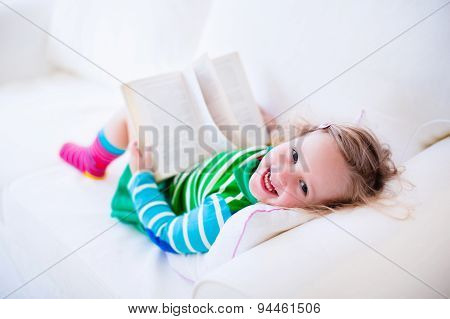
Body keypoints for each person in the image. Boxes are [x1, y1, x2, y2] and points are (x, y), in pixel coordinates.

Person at [59, 109, 397, 254]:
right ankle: (97, 155)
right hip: (192, 162)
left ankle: (93, 160)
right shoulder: (271, 158)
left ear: (317, 208)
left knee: (127, 119)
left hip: (155, 190)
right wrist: (266, 128)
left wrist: (143, 177)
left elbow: (166, 234)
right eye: (295, 155)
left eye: (304, 187)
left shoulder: (223, 215)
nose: (283, 173)